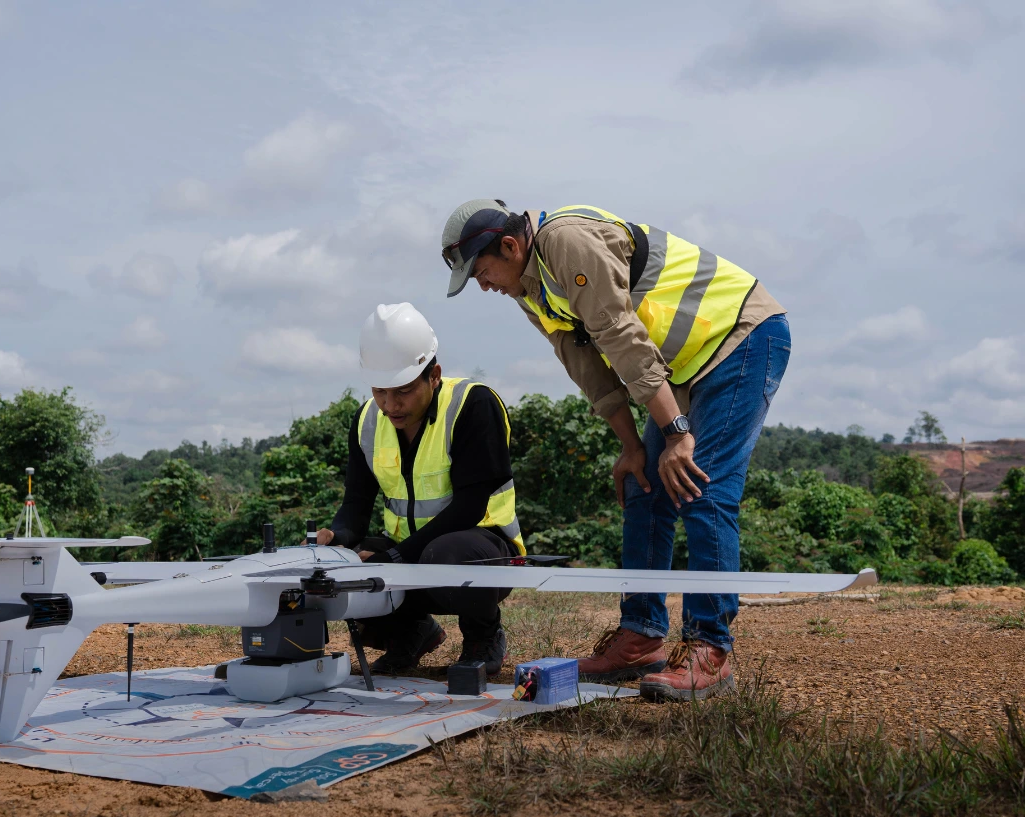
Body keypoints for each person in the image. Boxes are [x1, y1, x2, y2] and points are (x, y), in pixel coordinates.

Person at [440, 200, 791, 701]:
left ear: (511, 246)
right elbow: (586, 366)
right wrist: (632, 446)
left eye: (481, 271)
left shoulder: (566, 242)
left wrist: (675, 433)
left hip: (741, 336)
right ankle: (641, 638)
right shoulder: (528, 287)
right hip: (685, 367)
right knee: (645, 486)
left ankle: (710, 650)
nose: (484, 285)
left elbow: (620, 334)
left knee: (700, 485)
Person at [312, 302, 526, 675]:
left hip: (482, 552)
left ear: (434, 375)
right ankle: (410, 633)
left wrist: (394, 559)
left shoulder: (472, 406)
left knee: (447, 553)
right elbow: (356, 505)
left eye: (404, 391)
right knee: (345, 569)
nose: (390, 405)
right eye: (380, 391)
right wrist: (339, 540)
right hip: (408, 551)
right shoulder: (366, 421)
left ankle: (483, 634)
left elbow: (471, 507)